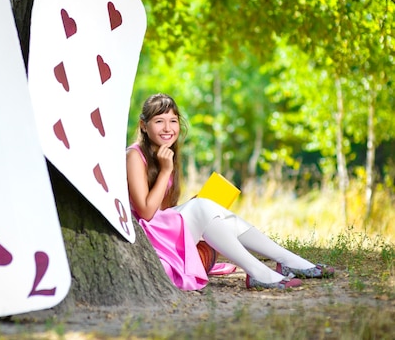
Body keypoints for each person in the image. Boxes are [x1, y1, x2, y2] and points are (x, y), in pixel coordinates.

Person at [126, 93, 334, 290]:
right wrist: (166, 172)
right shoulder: (134, 156)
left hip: (158, 230)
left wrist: (191, 201)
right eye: (159, 121)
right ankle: (260, 272)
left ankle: (288, 261)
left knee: (211, 209)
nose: (168, 128)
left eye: (173, 121)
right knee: (201, 207)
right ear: (144, 126)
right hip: (144, 237)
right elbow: (146, 212)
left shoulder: (164, 154)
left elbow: (162, 209)